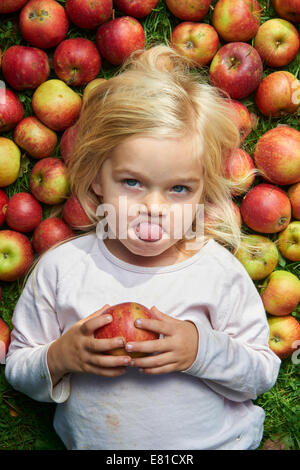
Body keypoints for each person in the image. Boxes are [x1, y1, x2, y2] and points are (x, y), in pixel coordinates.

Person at [5, 44, 281, 450]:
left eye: (179, 189)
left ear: (203, 194)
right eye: (132, 182)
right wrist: (61, 357)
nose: (153, 207)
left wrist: (199, 350)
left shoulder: (216, 272)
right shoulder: (63, 269)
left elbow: (260, 374)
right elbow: (18, 368)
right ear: (97, 177)